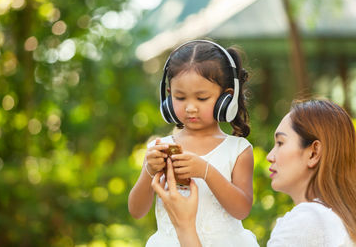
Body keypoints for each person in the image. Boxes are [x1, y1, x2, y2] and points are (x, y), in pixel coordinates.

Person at [152, 99, 356, 247]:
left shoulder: (309, 221)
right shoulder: (337, 219)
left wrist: (184, 226)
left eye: (280, 143)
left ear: (314, 152)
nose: (270, 156)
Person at [128, 40, 259, 246]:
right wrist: (149, 170)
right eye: (180, 98)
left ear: (226, 98)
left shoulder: (239, 150)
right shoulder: (161, 147)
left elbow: (241, 210)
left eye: (202, 98)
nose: (190, 108)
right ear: (168, 96)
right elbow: (136, 211)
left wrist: (206, 171)